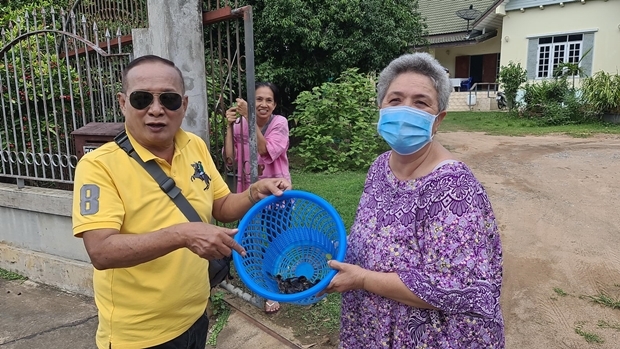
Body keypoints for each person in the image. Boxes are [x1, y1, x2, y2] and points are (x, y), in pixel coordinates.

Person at [71, 55, 291, 349]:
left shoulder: (194, 145)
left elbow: (221, 206)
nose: (157, 110)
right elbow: (101, 251)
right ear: (123, 103)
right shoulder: (99, 165)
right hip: (139, 337)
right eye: (141, 99)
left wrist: (252, 194)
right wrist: (182, 234)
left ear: (183, 105)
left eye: (169, 100)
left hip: (196, 317)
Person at [323, 52, 505, 348]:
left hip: (429, 337)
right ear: (381, 108)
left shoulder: (452, 187)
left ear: (438, 119)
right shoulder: (379, 167)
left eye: (420, 102)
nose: (405, 110)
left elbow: (457, 287)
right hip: (371, 326)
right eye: (395, 100)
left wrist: (362, 279)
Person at [224, 82, 291, 314]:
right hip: (249, 191)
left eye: (268, 100)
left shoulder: (280, 123)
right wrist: (229, 127)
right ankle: (258, 283)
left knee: (276, 240)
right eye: (258, 100)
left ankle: (274, 287)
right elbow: (230, 160)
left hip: (276, 194)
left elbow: (264, 151)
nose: (263, 104)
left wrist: (249, 120)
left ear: (274, 104)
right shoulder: (242, 123)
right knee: (250, 239)